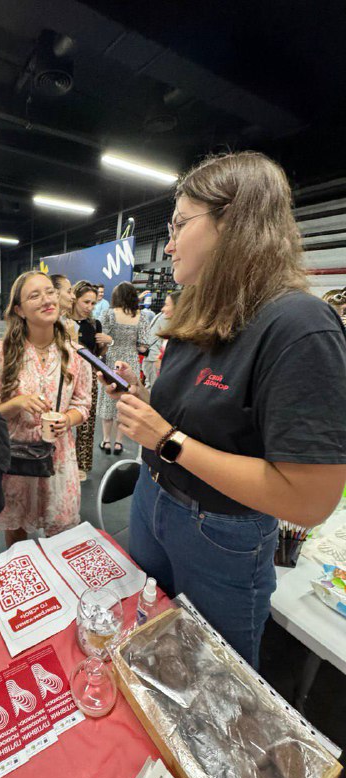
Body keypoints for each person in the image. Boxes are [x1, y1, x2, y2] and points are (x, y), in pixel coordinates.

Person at [101, 152, 346, 668]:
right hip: (152, 501)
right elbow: (201, 418)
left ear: (231, 224)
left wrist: (168, 439)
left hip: (219, 532)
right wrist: (148, 407)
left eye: (180, 224)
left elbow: (309, 500)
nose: (167, 244)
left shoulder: (300, 326)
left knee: (217, 679)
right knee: (147, 645)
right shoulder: (198, 308)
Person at [0, 270, 91, 546]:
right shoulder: (3, 351)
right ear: (19, 309)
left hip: (59, 456)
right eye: (35, 295)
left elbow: (83, 404)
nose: (47, 300)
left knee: (61, 531)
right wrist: (18, 402)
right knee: (17, 530)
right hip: (18, 456)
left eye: (49, 292)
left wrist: (67, 419)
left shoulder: (75, 353)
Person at [97, 281, 149, 455]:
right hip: (131, 363)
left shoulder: (109, 314)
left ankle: (105, 440)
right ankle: (119, 443)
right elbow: (143, 345)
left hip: (112, 360)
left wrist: (112, 341)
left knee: (108, 400)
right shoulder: (141, 316)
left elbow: (102, 337)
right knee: (125, 400)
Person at [71, 280, 111, 480]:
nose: (90, 307)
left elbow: (98, 354)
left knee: (87, 422)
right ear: (75, 299)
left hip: (88, 377)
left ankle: (82, 464)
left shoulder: (94, 324)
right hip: (64, 376)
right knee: (61, 419)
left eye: (93, 303)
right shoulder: (60, 322)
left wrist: (106, 344)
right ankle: (58, 461)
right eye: (86, 302)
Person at [153, 290, 182, 377]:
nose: (163, 309)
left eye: (167, 305)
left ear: (178, 307)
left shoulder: (183, 336)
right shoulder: (174, 331)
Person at [50, 273, 77, 342]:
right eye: (69, 292)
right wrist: (72, 337)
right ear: (55, 293)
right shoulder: (45, 325)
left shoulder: (68, 324)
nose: (73, 296)